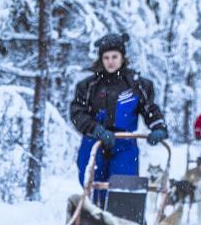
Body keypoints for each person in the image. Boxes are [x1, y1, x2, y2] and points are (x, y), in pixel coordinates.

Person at [69, 33, 169, 197]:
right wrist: (96, 129)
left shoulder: (137, 85)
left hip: (124, 142)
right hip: (95, 141)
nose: (110, 61)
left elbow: (149, 108)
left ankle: (124, 218)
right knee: (93, 184)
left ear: (123, 57)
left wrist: (158, 127)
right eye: (106, 57)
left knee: (124, 187)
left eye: (114, 56)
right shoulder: (88, 86)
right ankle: (95, 216)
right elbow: (77, 113)